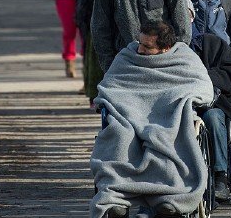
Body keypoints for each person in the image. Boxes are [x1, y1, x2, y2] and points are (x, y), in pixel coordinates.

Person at [90, 21, 214, 218]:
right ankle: (117, 197)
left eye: (147, 47)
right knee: (120, 135)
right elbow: (110, 86)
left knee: (164, 136)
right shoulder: (127, 56)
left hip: (167, 116)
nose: (139, 49)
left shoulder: (185, 59)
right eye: (140, 42)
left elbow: (202, 87)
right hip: (127, 115)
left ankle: (167, 197)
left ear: (165, 48)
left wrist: (183, 98)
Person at [184, 0, 231, 202]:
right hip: (178, 105)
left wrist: (205, 77)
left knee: (214, 118)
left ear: (191, 17)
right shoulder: (163, 49)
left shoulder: (210, 42)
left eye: (184, 15)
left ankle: (220, 176)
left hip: (211, 104)